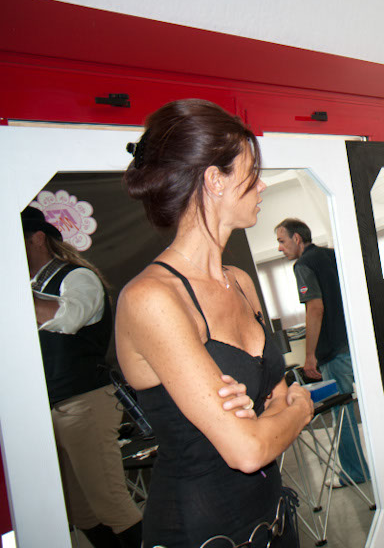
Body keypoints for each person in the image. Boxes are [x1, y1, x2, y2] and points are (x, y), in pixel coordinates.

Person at [117, 99, 313, 548]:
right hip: (201, 532)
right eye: (251, 172)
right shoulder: (151, 299)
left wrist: (268, 417)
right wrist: (298, 412)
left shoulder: (240, 281)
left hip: (273, 517)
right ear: (214, 180)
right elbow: (248, 450)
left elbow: (277, 394)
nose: (261, 185)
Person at [274, 219, 384, 485]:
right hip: (360, 341)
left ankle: (353, 471)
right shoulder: (334, 256)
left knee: (342, 411)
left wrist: (310, 355)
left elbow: (315, 308)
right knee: (379, 400)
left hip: (335, 351)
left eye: (282, 241)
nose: (280, 247)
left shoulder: (303, 265)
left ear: (297, 239)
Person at [22, 207, 143, 548]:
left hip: (85, 402)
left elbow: (70, 317)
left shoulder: (76, 277)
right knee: (81, 511)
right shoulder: (31, 287)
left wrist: (17, 297)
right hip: (53, 407)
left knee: (110, 502)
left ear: (38, 239)